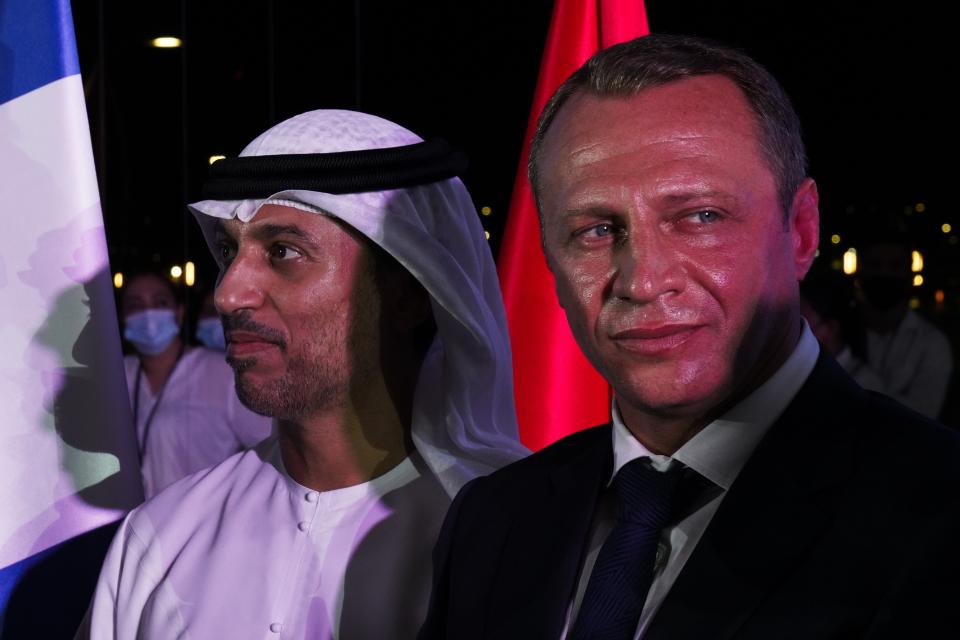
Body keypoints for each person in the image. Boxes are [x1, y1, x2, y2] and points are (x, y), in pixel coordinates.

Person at [420, 34, 960, 639]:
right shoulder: (491, 521)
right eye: (596, 231)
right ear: (549, 256)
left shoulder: (942, 516)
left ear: (802, 231)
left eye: (700, 216)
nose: (644, 281)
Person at [81, 110, 527, 639]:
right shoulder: (162, 537)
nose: (227, 294)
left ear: (408, 292)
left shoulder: (523, 540)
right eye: (228, 251)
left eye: (284, 251)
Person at [119, 270, 271, 498]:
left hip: (206, 524)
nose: (148, 312)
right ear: (122, 317)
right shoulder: (119, 375)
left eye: (159, 302)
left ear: (179, 314)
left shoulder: (223, 373)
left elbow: (271, 452)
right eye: (134, 304)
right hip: (134, 525)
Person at [857, 235, 953, 419]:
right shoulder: (837, 331)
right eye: (875, 265)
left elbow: (923, 416)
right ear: (861, 272)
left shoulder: (932, 343)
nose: (884, 274)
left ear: (909, 274)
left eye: (894, 266)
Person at [799, 275, 883, 391]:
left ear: (830, 328)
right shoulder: (813, 375)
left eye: (802, 320)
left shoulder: (862, 384)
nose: (795, 329)